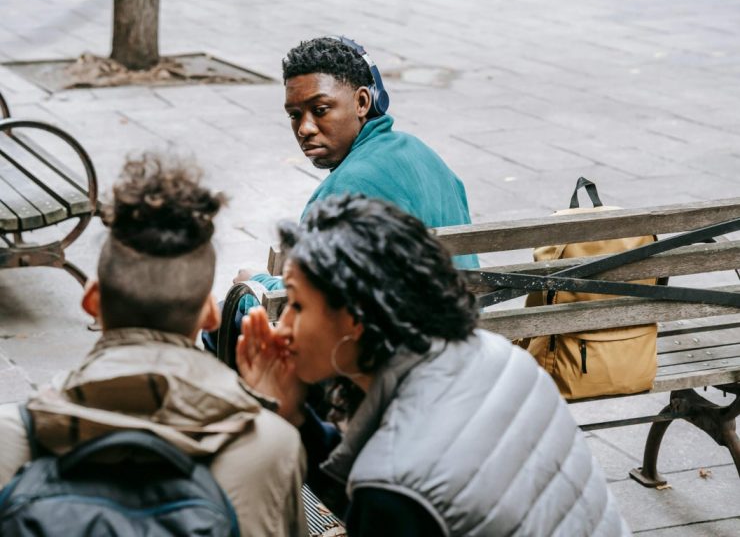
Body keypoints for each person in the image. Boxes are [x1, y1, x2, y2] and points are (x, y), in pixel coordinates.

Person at [236, 194, 631, 537]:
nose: (284, 324)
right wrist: (295, 416)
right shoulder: (497, 354)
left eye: (297, 304)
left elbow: (397, 497)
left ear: (355, 317)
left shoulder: (395, 485)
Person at [0, 154, 307, 537]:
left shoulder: (11, 438)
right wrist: (267, 411)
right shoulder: (269, 448)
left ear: (92, 300)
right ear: (211, 314)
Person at [205, 35, 478, 351]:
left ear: (362, 102)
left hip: (389, 352)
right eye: (294, 115)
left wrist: (256, 283)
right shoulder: (424, 155)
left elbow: (310, 310)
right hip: (462, 341)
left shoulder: (340, 193)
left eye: (320, 109)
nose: (304, 128)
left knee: (224, 318)